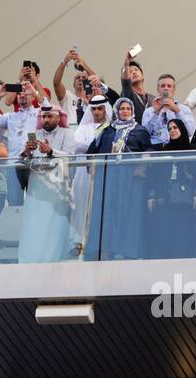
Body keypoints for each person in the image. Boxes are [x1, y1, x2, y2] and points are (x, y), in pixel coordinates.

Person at [86, 97, 152, 259]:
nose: (125, 111)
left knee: (128, 211)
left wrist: (142, 161)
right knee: (106, 211)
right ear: (116, 111)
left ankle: (127, 250)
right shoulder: (106, 130)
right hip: (107, 176)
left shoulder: (140, 130)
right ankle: (102, 249)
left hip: (130, 177)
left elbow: (148, 150)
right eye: (122, 109)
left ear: (132, 111)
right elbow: (92, 151)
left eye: (128, 109)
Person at [18, 104, 77, 263]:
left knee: (55, 226)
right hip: (37, 183)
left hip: (57, 185)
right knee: (35, 224)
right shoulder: (34, 134)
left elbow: (71, 158)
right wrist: (26, 152)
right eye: (43, 117)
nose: (46, 119)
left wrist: (51, 151)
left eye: (50, 116)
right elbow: (22, 160)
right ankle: (32, 259)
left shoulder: (67, 133)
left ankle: (53, 260)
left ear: (59, 118)